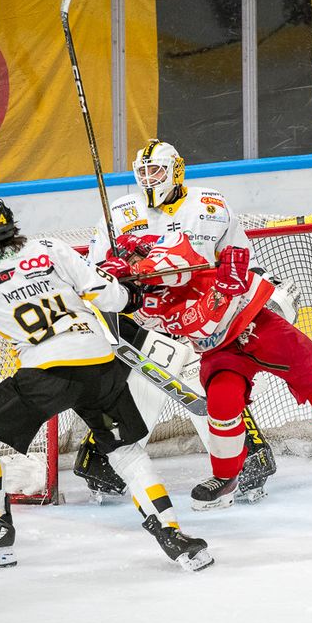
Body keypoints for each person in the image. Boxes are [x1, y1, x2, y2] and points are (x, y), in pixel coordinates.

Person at [0, 196, 213, 571]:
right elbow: (114, 297)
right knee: (125, 451)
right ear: (13, 226)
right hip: (100, 363)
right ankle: (172, 534)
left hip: (48, 374)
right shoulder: (49, 248)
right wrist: (129, 290)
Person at [105, 230, 312, 510]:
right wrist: (119, 286)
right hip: (221, 350)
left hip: (259, 324)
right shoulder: (147, 306)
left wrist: (137, 270)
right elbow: (199, 322)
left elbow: (177, 257)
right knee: (221, 405)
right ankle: (226, 478)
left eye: (133, 262)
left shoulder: (166, 245)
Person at [78, 138, 283, 502]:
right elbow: (93, 271)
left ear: (176, 170)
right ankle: (104, 462)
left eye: (156, 171)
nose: (148, 179)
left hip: (204, 317)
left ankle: (248, 457)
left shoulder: (211, 205)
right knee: (136, 386)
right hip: (143, 316)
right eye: (142, 172)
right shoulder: (121, 212)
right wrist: (110, 271)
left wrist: (243, 287)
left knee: (209, 387)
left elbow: (239, 259)